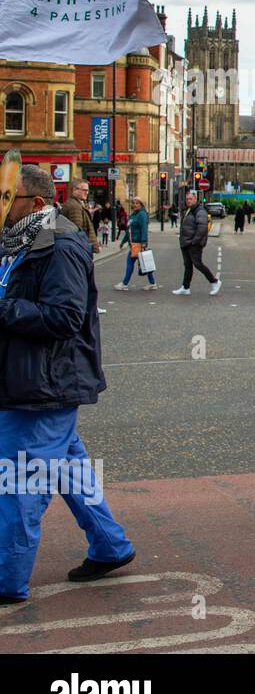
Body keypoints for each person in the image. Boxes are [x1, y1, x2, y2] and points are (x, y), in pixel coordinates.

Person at [0, 165, 135, 604]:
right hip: (27, 380)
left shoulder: (58, 246)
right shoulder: (17, 242)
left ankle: (7, 580)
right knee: (70, 469)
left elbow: (64, 317)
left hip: (44, 386)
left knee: (19, 484)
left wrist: (3, 308)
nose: (1, 207)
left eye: (7, 199)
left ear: (35, 204)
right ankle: (111, 545)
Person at [174, 191, 220, 296]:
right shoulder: (189, 210)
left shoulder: (200, 211)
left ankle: (214, 281)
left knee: (198, 264)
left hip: (193, 243)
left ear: (195, 199)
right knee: (188, 265)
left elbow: (202, 228)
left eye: (190, 199)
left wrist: (195, 242)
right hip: (185, 242)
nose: (188, 201)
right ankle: (185, 287)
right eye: (187, 199)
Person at [113, 198, 156, 291]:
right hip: (133, 243)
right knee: (145, 263)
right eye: (133, 203)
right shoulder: (133, 215)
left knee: (131, 262)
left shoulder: (142, 214)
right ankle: (152, 283)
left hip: (138, 243)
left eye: (137, 203)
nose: (135, 204)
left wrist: (144, 242)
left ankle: (124, 283)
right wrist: (123, 241)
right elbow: (129, 231)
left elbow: (144, 228)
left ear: (141, 204)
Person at [61, 180, 99, 253]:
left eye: (87, 190)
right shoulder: (74, 207)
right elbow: (78, 232)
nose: (87, 193)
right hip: (79, 250)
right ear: (75, 190)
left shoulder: (77, 204)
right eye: (84, 190)